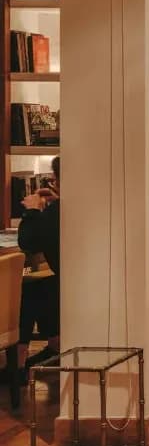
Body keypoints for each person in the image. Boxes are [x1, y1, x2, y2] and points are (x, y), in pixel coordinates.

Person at [17, 156, 60, 370]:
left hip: (63, 284)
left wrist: (31, 211)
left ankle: (19, 357)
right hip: (67, 281)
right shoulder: (62, 209)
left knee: (30, 283)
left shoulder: (58, 211)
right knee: (36, 279)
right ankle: (54, 344)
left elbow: (29, 241)